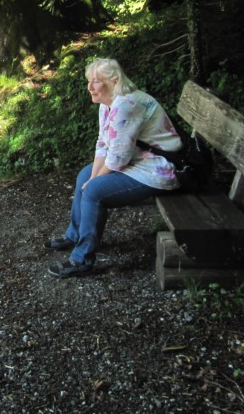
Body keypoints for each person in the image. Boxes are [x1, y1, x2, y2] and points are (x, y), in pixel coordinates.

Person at [46, 58, 183, 278]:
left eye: (96, 81)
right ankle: (75, 234)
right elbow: (103, 144)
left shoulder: (127, 105)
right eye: (89, 81)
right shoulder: (107, 104)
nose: (90, 87)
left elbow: (117, 158)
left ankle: (81, 259)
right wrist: (92, 176)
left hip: (158, 168)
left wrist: (95, 181)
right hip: (138, 160)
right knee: (84, 176)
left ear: (115, 81)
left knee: (93, 190)